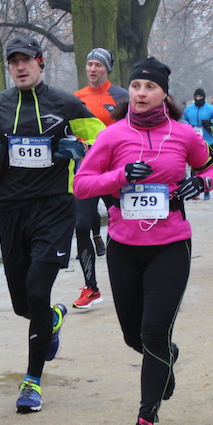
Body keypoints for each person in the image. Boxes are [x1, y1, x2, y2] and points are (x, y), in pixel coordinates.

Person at [73, 57, 213, 425]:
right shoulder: (112, 135)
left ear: (164, 94)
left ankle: (144, 424)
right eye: (136, 86)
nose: (141, 93)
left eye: (150, 87)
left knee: (153, 331)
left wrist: (199, 182)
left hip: (171, 245)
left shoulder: (183, 134)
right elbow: (81, 185)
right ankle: (165, 360)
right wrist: (121, 176)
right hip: (124, 246)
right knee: (133, 336)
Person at [0, 34, 105, 413]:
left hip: (54, 208)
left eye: (26, 60)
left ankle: (32, 381)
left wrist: (82, 149)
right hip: (11, 210)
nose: (20, 67)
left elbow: (105, 142)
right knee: (24, 304)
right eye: (14, 61)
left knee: (38, 291)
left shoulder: (65, 103)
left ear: (40, 62)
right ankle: (52, 319)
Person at [71, 47, 127, 309]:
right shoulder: (76, 99)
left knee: (124, 224)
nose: (93, 69)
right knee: (81, 225)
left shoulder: (122, 97)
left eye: (98, 65)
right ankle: (91, 287)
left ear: (108, 69)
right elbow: (69, 131)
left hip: (115, 172)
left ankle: (130, 280)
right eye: (90, 64)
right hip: (87, 172)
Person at [181, 88, 213, 200]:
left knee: (207, 167)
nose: (198, 99)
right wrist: (188, 126)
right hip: (193, 141)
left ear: (204, 97)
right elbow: (183, 120)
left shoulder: (210, 109)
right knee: (194, 167)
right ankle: (194, 192)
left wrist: (211, 122)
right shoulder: (189, 109)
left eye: (200, 97)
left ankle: (207, 192)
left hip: (207, 141)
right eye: (197, 97)